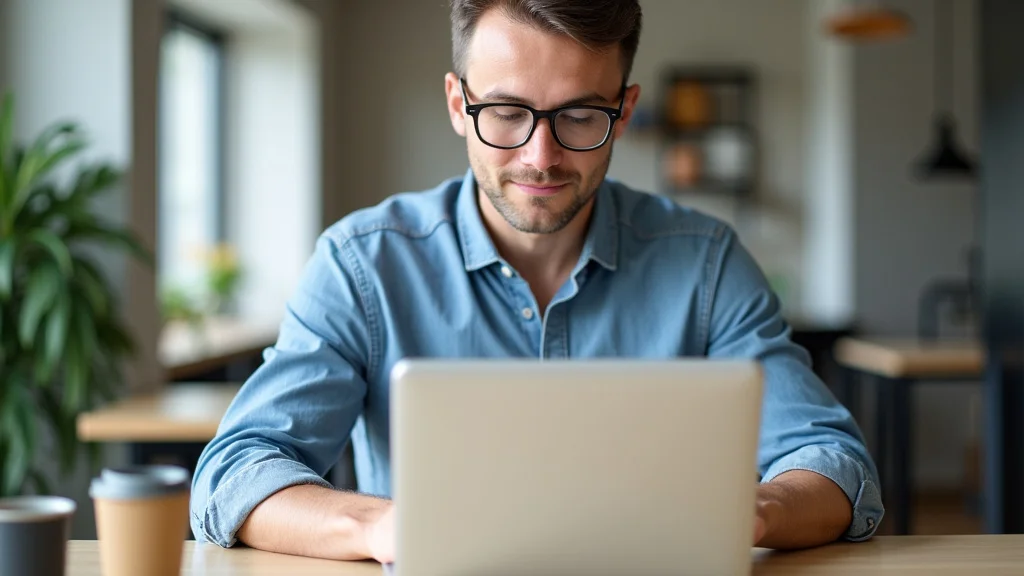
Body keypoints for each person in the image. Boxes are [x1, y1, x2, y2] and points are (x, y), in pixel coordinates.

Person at [190, 0, 883, 563]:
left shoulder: (705, 261)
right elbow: (237, 473)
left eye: (580, 115)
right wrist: (384, 529)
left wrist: (753, 512)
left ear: (626, 109)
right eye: (507, 113)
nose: (540, 156)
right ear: (459, 104)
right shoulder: (361, 264)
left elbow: (835, 464)